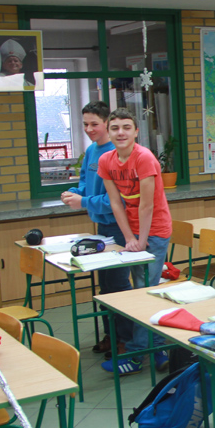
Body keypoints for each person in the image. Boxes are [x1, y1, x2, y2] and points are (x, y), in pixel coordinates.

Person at [98, 108, 172, 376]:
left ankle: (137, 354)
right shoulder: (106, 160)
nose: (121, 133)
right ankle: (159, 348)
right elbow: (116, 203)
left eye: (126, 127)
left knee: (144, 290)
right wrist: (129, 238)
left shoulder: (144, 158)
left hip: (155, 230)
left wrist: (141, 240)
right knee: (140, 289)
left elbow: (147, 205)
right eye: (115, 128)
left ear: (136, 131)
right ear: (109, 132)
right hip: (133, 231)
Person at [61, 101, 131, 356]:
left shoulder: (116, 153)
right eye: (85, 124)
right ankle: (111, 335)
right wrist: (73, 193)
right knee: (106, 286)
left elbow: (117, 201)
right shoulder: (92, 151)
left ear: (107, 123)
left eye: (94, 124)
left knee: (118, 285)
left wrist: (83, 201)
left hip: (119, 227)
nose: (89, 129)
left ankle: (127, 340)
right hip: (101, 226)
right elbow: (85, 185)